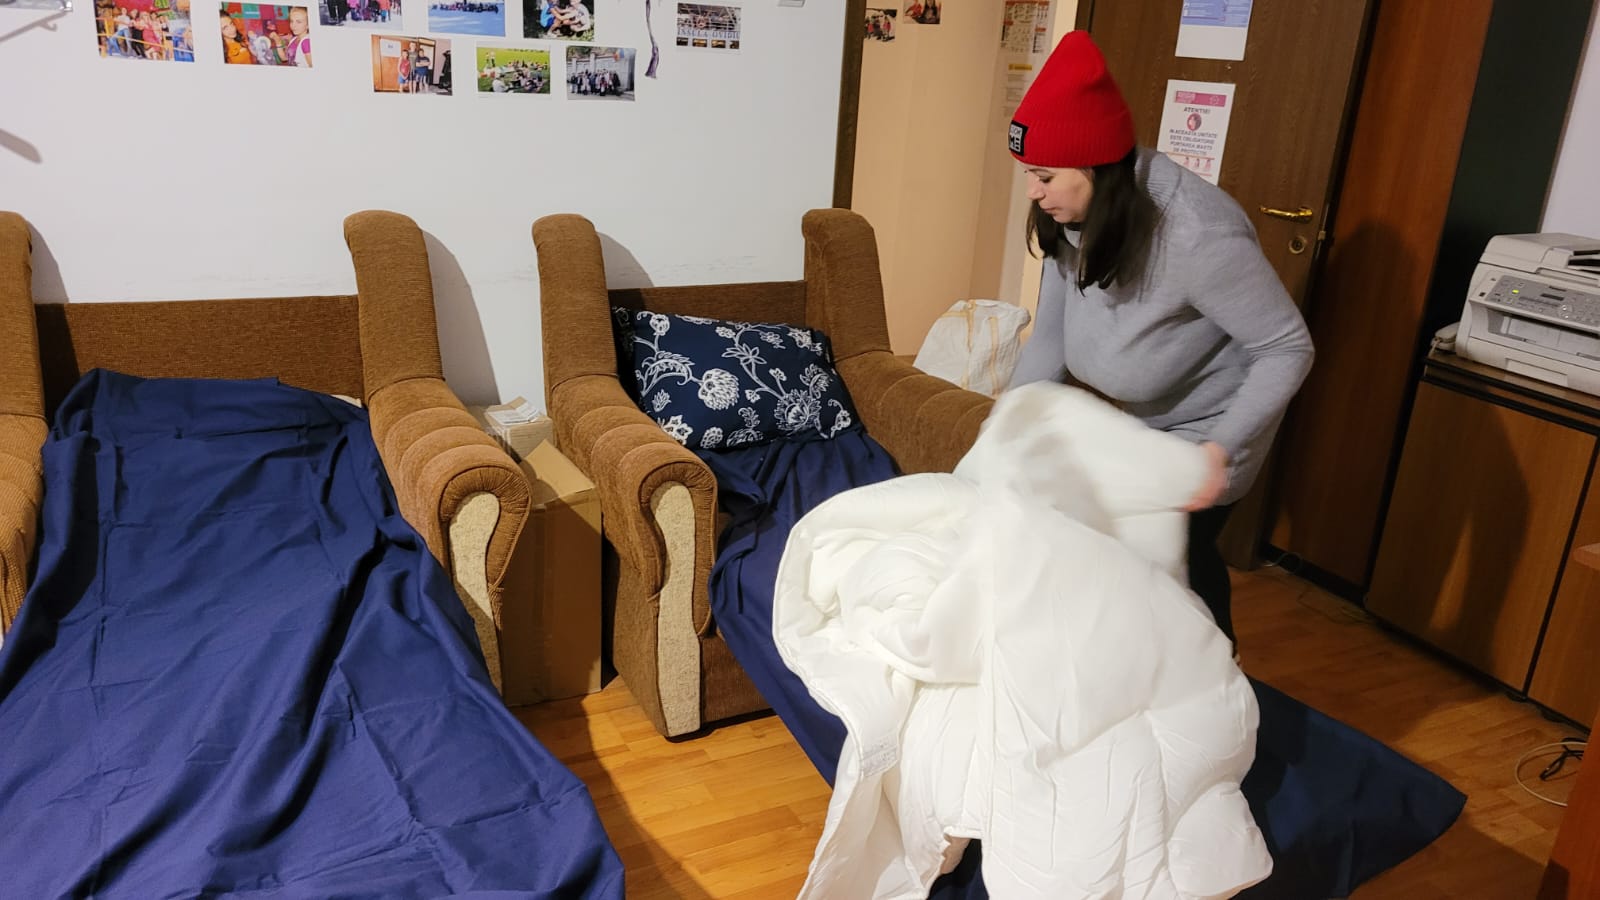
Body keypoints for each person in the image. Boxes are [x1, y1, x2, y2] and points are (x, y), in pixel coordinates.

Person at [1003, 31, 1313, 650]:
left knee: (1178, 573)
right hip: (1143, 421)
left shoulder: (1198, 235)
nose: (1033, 191)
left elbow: (1287, 347)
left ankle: (1218, 685)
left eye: (1043, 175)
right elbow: (1052, 337)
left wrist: (1219, 450)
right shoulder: (1073, 216)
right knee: (1109, 555)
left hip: (1210, 432)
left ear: (1094, 166)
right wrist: (1007, 419)